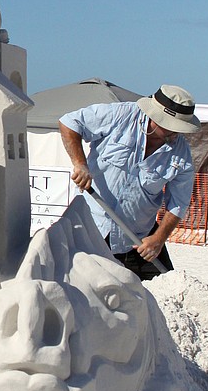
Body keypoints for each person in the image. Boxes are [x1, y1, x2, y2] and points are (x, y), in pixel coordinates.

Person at [58, 84, 199, 280]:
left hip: (135, 238)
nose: (176, 133)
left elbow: (179, 203)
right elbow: (69, 123)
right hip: (90, 229)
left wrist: (158, 239)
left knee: (159, 291)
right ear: (156, 118)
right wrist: (80, 164)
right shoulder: (119, 115)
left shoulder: (181, 153)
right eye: (171, 127)